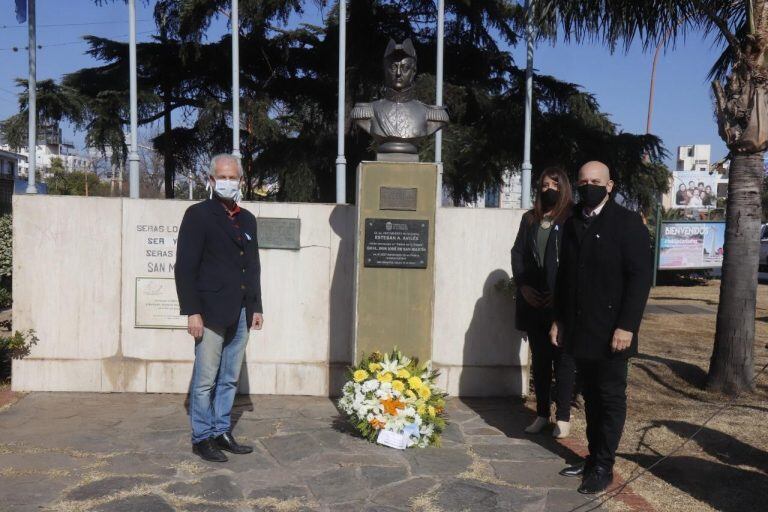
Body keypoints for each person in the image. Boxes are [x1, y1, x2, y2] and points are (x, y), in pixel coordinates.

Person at [550, 161, 652, 494]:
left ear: (609, 186)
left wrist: (627, 326)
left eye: (596, 181)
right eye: (583, 181)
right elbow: (565, 277)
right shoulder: (572, 221)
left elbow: (639, 279)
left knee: (609, 398)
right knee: (590, 397)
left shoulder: (626, 223)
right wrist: (559, 320)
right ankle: (593, 456)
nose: (588, 186)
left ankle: (604, 465)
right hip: (580, 328)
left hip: (613, 331)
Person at [175, 153, 264, 463]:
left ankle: (221, 430)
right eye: (222, 177)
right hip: (210, 311)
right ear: (211, 181)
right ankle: (202, 437)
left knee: (229, 377)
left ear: (241, 181)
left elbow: (252, 267)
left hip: (241, 310)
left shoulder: (248, 219)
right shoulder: (198, 215)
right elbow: (185, 267)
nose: (228, 182)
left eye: (233, 177)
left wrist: (256, 306)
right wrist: (192, 311)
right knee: (205, 378)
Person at [512, 167, 576, 439]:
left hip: (560, 302)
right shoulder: (530, 219)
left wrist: (560, 292)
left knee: (563, 360)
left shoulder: (572, 217)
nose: (548, 189)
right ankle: (541, 414)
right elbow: (518, 254)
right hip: (533, 301)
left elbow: (575, 259)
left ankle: (563, 417)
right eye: (544, 184)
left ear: (564, 188)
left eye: (554, 184)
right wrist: (523, 286)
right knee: (540, 360)